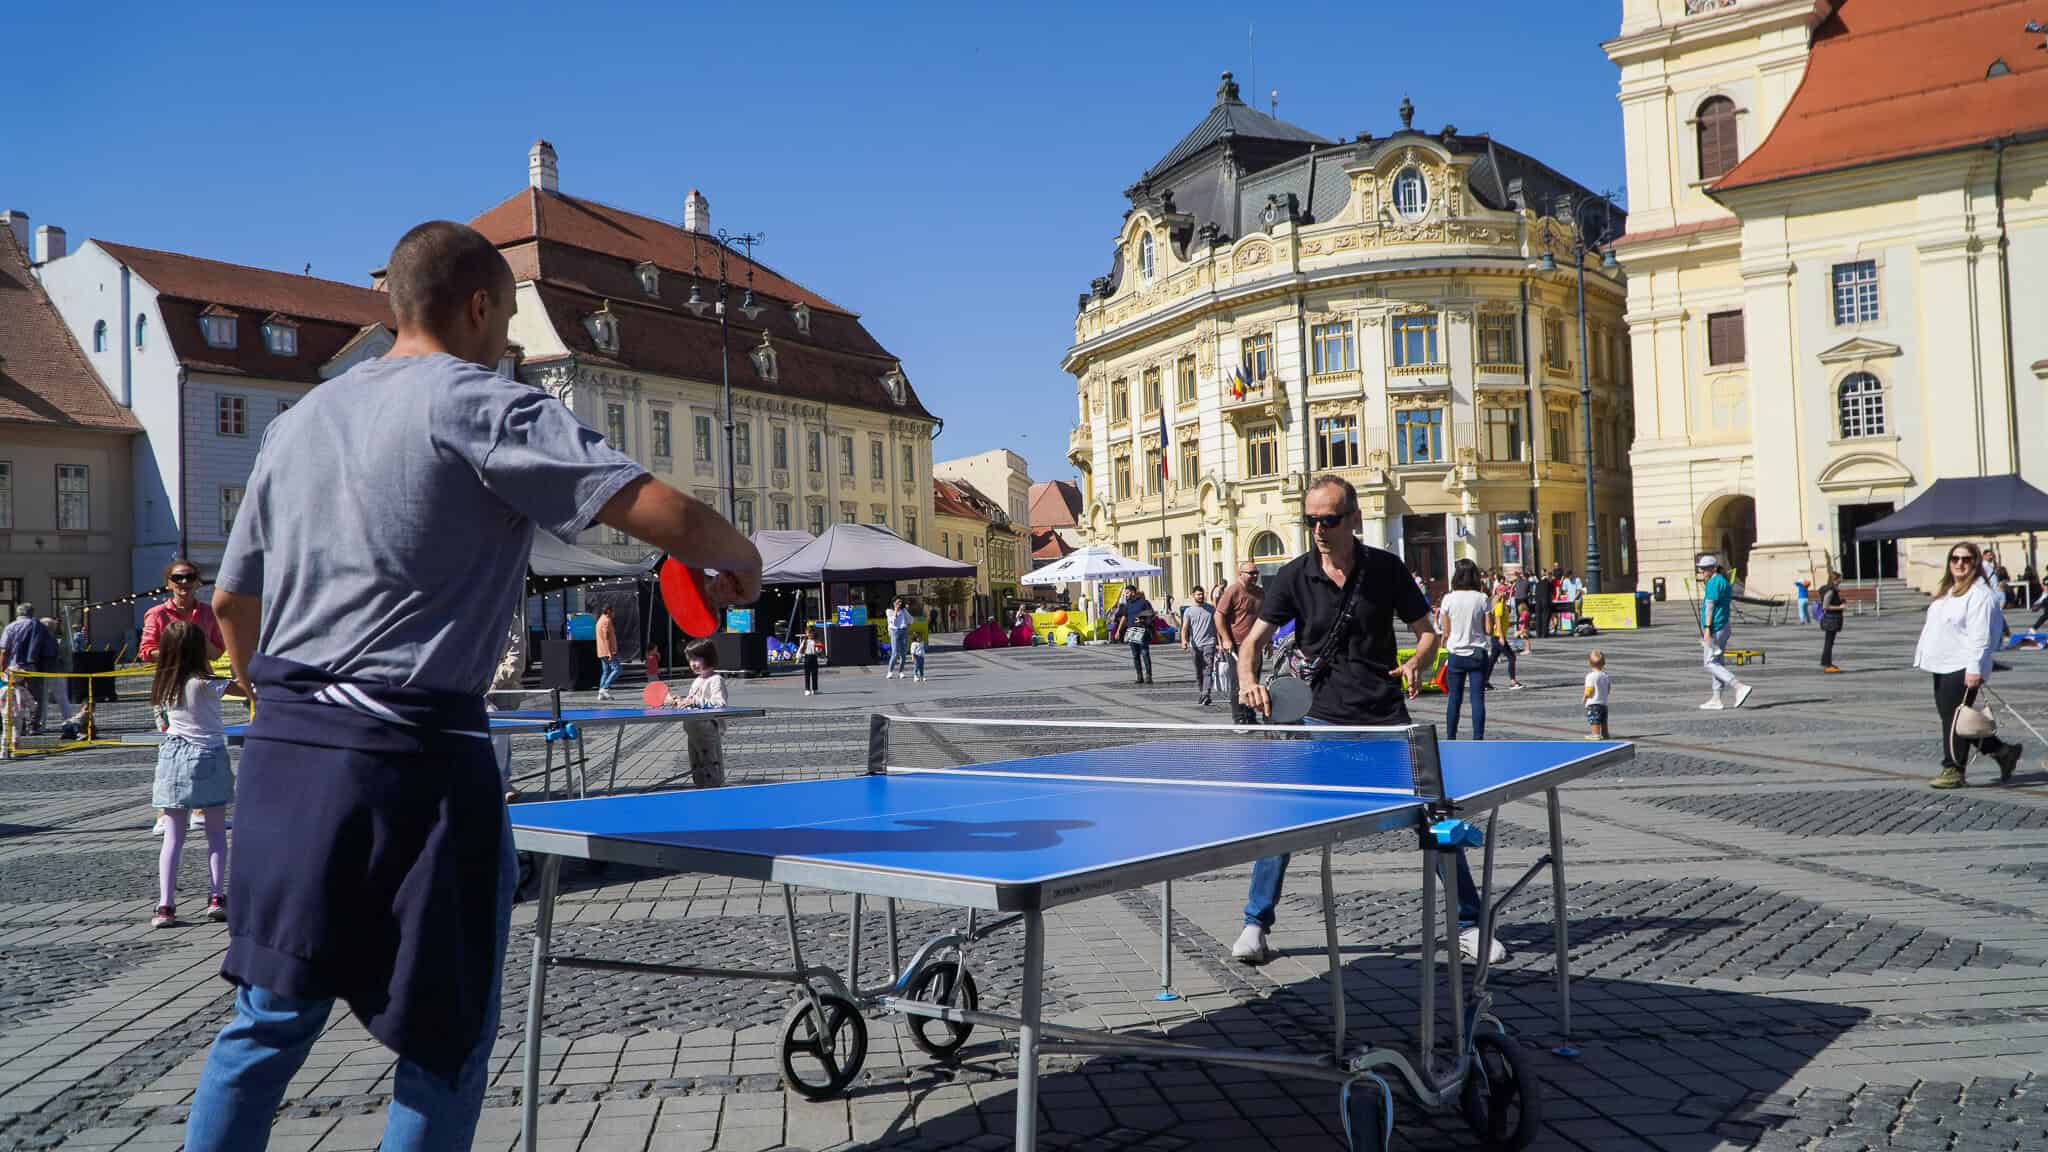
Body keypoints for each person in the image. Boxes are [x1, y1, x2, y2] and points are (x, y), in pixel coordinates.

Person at [183, 219, 761, 1152]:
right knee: (442, 1038)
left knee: (267, 1019)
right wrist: (740, 556)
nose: (510, 343)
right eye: (508, 320)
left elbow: (230, 601)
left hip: (288, 754)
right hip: (414, 758)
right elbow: (662, 511)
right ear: (480, 304)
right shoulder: (484, 403)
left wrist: (269, 701)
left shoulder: (294, 427)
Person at [1234, 476, 1502, 965]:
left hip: (1387, 718)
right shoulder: (1294, 576)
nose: (1318, 529)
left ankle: (1469, 927)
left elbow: (1428, 632)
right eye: (1311, 520)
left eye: (1329, 520)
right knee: (1284, 821)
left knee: (1435, 819)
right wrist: (1248, 679)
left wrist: (1420, 660)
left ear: (1353, 519)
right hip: (1320, 718)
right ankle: (1256, 924)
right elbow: (1251, 643)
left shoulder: (1386, 569)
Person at [148, 620, 240, 928]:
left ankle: (165, 905)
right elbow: (247, 689)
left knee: (173, 838)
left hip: (173, 756)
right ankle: (216, 897)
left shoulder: (164, 683)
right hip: (209, 755)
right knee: (215, 834)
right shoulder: (210, 682)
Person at [1915, 542, 2023, 789]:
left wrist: (1975, 668)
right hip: (1941, 662)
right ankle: (2003, 752)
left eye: (1966, 559)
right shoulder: (1949, 590)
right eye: (1955, 558)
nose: (1960, 563)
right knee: (1954, 720)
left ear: (1975, 563)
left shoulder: (1980, 594)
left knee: (1954, 720)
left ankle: (1953, 769)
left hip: (1962, 665)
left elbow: (1981, 636)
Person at [666, 638, 731, 788]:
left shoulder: (716, 680)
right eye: (690, 660)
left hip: (706, 730)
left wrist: (695, 702)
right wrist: (680, 701)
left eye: (697, 659)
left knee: (710, 764)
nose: (693, 664)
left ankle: (714, 791)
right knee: (696, 764)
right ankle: (700, 789)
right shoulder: (697, 681)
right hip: (692, 730)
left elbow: (720, 704)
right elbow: (691, 702)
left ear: (708, 658)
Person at [1437, 559, 1490, 741]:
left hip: (1456, 654)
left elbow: (1446, 631)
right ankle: (1478, 738)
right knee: (1477, 699)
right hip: (1477, 652)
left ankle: (1451, 737)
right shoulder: (1481, 598)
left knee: (1454, 699)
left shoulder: (1448, 599)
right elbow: (1488, 629)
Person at [1695, 553, 1754, 710]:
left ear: (1713, 569)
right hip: (1724, 626)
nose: (1702, 572)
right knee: (1717, 661)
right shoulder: (1724, 581)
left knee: (1709, 663)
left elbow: (1710, 607)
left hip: (1716, 627)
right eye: (1701, 569)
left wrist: (1707, 629)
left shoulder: (1713, 583)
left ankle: (1738, 686)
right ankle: (1716, 698)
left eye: (1704, 569)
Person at [140, 557, 226, 663]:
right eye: (177, 578)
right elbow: (146, 652)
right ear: (169, 584)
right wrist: (177, 652)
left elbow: (217, 653)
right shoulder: (156, 613)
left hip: (202, 676)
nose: (184, 581)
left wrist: (200, 641)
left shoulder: (209, 612)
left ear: (198, 583)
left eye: (191, 577)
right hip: (171, 677)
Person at [1214, 563, 1264, 724]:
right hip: (1237, 644)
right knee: (1239, 682)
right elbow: (1218, 616)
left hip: (1255, 644)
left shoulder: (1260, 592)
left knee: (1254, 681)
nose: (1254, 576)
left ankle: (1251, 715)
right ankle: (1239, 717)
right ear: (1240, 574)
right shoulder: (1233, 591)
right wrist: (1226, 639)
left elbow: (1265, 618)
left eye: (1256, 573)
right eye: (1251, 573)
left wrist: (1268, 641)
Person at [1, 604, 55, 735]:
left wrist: (2, 668)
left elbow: (4, 650)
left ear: (18, 613)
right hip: (33, 667)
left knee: (14, 697)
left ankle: (20, 725)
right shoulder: (40, 627)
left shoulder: (10, 627)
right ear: (32, 613)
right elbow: (49, 648)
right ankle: (34, 725)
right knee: (35, 697)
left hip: (14, 669)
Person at [1178, 586, 1219, 706]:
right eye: (1198, 595)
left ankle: (1206, 693)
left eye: (1202, 594)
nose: (1200, 596)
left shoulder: (1211, 609)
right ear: (1193, 595)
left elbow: (1217, 626)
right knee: (1198, 671)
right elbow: (1184, 627)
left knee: (1208, 669)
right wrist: (1184, 640)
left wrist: (1219, 642)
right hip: (1195, 644)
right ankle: (1202, 692)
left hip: (1209, 643)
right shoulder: (1189, 611)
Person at [1108, 585, 1155, 684]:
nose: (1126, 595)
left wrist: (1142, 619)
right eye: (1125, 593)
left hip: (1142, 630)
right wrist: (1118, 631)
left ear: (1133, 592)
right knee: (1135, 655)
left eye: (1127, 593)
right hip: (1131, 631)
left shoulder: (1143, 602)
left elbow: (1151, 614)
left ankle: (1148, 676)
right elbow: (1124, 618)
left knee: (1145, 653)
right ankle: (1139, 676)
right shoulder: (1128, 604)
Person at [1486, 582, 1522, 691]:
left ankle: (1485, 681)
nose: (1508, 594)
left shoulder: (1503, 605)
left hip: (1497, 636)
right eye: (1506, 592)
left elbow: (1502, 621)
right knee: (1511, 657)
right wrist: (1502, 637)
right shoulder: (1499, 605)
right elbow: (1498, 621)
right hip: (1498, 636)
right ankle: (1513, 681)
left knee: (1492, 660)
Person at [1817, 571, 1846, 672]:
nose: (1841, 580)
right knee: (1829, 642)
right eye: (1840, 578)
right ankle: (1827, 665)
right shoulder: (1830, 591)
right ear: (1835, 580)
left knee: (1829, 642)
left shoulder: (1833, 590)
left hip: (1832, 618)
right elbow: (1825, 606)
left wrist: (1840, 601)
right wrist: (1840, 606)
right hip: (1831, 619)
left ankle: (1826, 662)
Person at [593, 604, 620, 701]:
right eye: (613, 611)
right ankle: (605, 688)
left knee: (605, 671)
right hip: (607, 651)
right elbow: (606, 638)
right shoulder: (606, 621)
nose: (614, 613)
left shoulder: (600, 620)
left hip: (601, 650)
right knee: (617, 669)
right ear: (608, 611)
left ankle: (601, 692)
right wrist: (610, 652)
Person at [1584, 650, 1611, 740]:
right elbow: (1608, 687)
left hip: (1593, 702)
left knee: (1594, 719)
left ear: (1590, 663)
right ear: (1604, 663)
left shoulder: (1590, 676)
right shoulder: (1605, 675)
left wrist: (1585, 697)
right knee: (1603, 720)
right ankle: (1605, 733)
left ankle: (1595, 734)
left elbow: (1589, 689)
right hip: (1603, 702)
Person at [885, 598, 913, 680]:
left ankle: (901, 672)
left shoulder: (904, 610)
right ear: (893, 603)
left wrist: (907, 624)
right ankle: (890, 672)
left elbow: (911, 620)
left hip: (903, 631)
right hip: (894, 631)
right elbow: (893, 622)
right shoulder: (889, 611)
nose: (899, 604)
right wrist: (896, 611)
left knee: (903, 654)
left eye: (900, 602)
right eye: (897, 602)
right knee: (895, 653)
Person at [799, 630, 821, 696]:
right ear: (806, 634)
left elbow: (819, 649)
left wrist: (818, 649)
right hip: (807, 657)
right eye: (808, 633)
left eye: (811, 633)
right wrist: (798, 657)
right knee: (807, 674)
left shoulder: (817, 640)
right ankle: (807, 689)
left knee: (815, 674)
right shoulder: (805, 641)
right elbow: (800, 649)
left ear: (813, 633)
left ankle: (815, 689)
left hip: (814, 657)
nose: (810, 635)